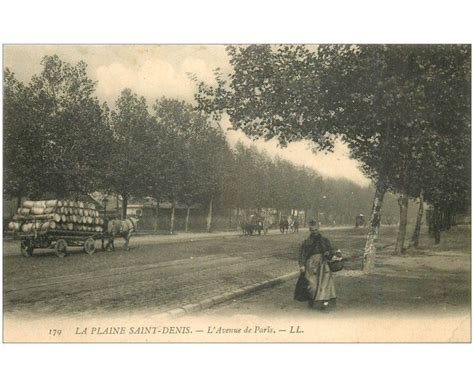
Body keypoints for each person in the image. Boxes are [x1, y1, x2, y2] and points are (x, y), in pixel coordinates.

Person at [294, 220, 337, 310]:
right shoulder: (306, 242)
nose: (314, 232)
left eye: (316, 230)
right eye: (312, 230)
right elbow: (302, 254)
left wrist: (329, 253)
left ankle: (323, 303)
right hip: (311, 266)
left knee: (324, 284)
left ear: (319, 229)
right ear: (310, 230)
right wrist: (302, 265)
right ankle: (312, 299)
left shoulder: (325, 240)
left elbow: (331, 251)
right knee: (311, 284)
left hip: (323, 265)